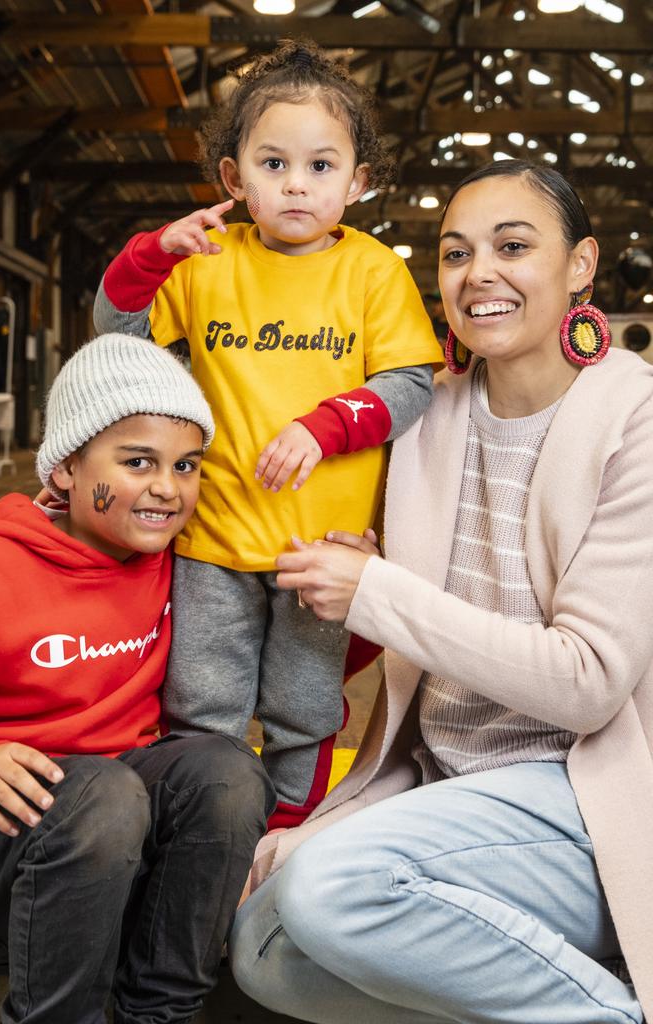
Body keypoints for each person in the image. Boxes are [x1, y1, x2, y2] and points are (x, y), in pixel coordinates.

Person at [228, 159, 653, 1024]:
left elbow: (589, 681)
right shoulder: (430, 417)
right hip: (444, 792)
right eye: (456, 253)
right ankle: (524, 979)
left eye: (513, 246)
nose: (478, 274)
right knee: (262, 951)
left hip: (584, 800)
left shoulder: (633, 417)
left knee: (330, 890)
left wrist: (376, 590)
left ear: (581, 265)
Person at [93, 40, 443, 827]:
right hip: (212, 536)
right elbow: (118, 329)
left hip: (322, 552)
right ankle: (199, 836)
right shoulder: (205, 260)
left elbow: (411, 384)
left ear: (358, 182)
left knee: (305, 705)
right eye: (273, 163)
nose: (296, 183)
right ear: (234, 178)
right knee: (202, 702)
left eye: (322, 167)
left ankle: (285, 839)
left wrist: (326, 427)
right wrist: (150, 256)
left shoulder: (374, 272)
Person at [0, 333, 275, 1024]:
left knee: (226, 771)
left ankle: (160, 1010)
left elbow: (278, 658)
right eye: (137, 462)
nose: (167, 487)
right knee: (102, 793)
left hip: (105, 848)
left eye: (186, 465)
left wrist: (336, 605)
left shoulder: (172, 560)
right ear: (65, 467)